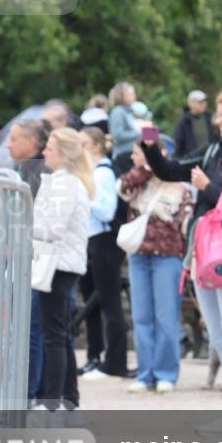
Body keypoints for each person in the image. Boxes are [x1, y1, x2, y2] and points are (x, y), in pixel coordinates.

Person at [144, 90, 222, 434]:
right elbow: (168, 169)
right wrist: (149, 136)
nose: (218, 119)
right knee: (219, 335)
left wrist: (208, 187)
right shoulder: (213, 150)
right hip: (203, 249)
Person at [117, 142, 195, 393]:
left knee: (166, 316)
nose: (132, 157)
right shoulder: (138, 181)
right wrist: (146, 169)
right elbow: (122, 189)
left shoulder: (180, 186)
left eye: (137, 153)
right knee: (141, 316)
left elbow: (185, 223)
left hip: (168, 255)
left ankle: (166, 373)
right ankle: (145, 372)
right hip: (139, 254)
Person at [32, 128, 93, 412]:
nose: (45, 152)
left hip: (57, 262)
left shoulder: (65, 184)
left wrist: (23, 229)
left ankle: (52, 401)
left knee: (53, 336)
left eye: (51, 148)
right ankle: (69, 399)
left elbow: (52, 227)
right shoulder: (64, 181)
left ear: (65, 154)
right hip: (61, 262)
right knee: (61, 335)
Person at [77, 127, 131, 380]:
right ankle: (95, 356)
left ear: (97, 146)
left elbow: (106, 211)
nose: (80, 149)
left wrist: (82, 198)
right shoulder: (91, 173)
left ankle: (115, 362)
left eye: (84, 144)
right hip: (92, 239)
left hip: (105, 240)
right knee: (95, 301)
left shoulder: (103, 174)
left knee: (110, 303)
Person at [7, 119, 51, 402]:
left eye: (14, 139)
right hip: (26, 254)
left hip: (36, 258)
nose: (9, 145)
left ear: (31, 142)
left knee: (33, 327)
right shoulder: (23, 169)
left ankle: (31, 391)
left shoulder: (38, 172)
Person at [108, 82, 140, 173]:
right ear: (121, 96)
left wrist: (151, 133)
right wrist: (140, 131)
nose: (134, 96)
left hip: (135, 154)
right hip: (124, 156)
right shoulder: (118, 112)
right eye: (130, 94)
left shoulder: (129, 111)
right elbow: (117, 135)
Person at [174, 89, 215, 157]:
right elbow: (179, 144)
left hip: (209, 157)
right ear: (190, 103)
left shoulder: (209, 117)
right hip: (192, 159)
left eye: (205, 101)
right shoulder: (183, 121)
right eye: (200, 102)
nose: (204, 104)